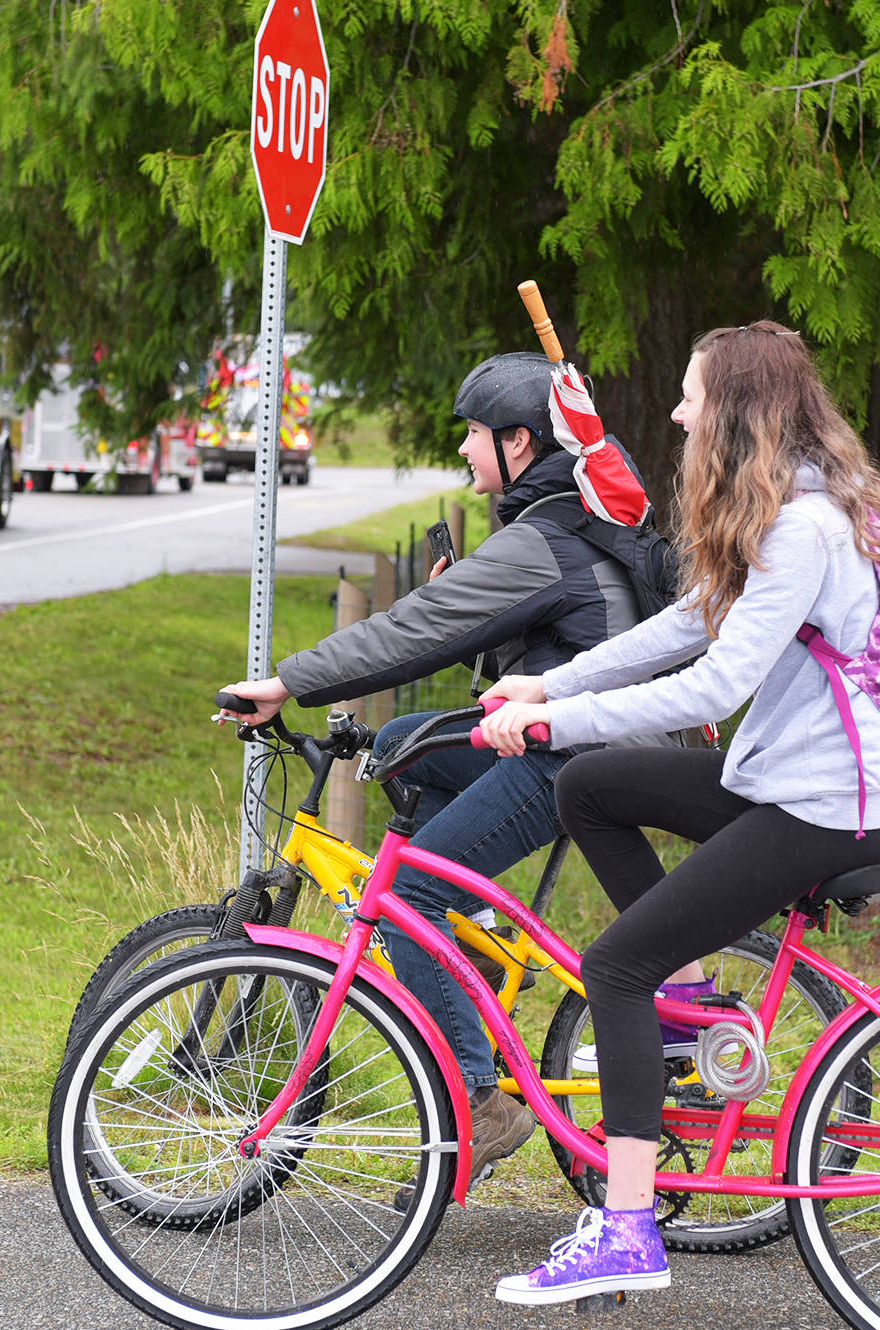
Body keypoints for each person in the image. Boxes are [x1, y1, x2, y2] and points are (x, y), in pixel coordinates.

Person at [478, 321, 880, 1304]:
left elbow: (712, 681)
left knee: (609, 965)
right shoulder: (792, 510)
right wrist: (548, 692)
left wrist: (555, 718)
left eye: (689, 398)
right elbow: (683, 626)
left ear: (733, 414)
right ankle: (683, 1012)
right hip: (797, 782)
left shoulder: (803, 529)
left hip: (823, 807)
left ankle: (627, 1228)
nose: (675, 414)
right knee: (588, 787)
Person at [218, 351, 657, 1199]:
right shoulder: (562, 517)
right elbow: (521, 638)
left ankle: (481, 1095)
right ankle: (469, 947)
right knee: (403, 745)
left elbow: (413, 630)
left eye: (472, 433)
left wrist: (287, 682)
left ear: (519, 440)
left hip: (572, 757)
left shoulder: (543, 536)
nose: (462, 448)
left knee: (410, 893)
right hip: (565, 738)